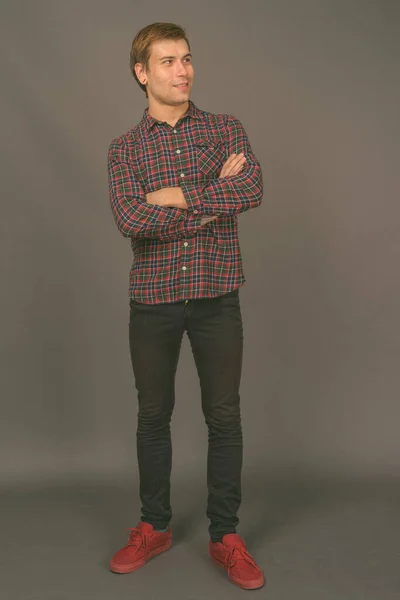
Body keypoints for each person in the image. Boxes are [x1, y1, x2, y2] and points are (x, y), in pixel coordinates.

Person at [107, 22, 264, 590]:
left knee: (224, 417)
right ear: (142, 73)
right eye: (169, 61)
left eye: (187, 59)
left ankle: (226, 536)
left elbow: (250, 191)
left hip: (217, 296)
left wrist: (173, 196)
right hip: (152, 302)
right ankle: (154, 526)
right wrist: (209, 203)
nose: (183, 70)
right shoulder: (124, 149)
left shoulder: (227, 130)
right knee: (154, 416)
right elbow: (130, 220)